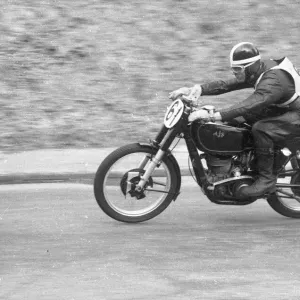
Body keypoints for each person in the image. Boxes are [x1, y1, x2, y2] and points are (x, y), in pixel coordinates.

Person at [169, 42, 300, 199]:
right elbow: (227, 85)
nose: (234, 72)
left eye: (237, 69)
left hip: (295, 112)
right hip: (283, 107)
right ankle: (241, 165)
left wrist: (212, 115)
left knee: (262, 128)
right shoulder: (258, 70)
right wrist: (197, 89)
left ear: (249, 67)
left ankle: (266, 179)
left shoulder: (273, 80)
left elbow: (249, 105)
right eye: (233, 68)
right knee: (236, 122)